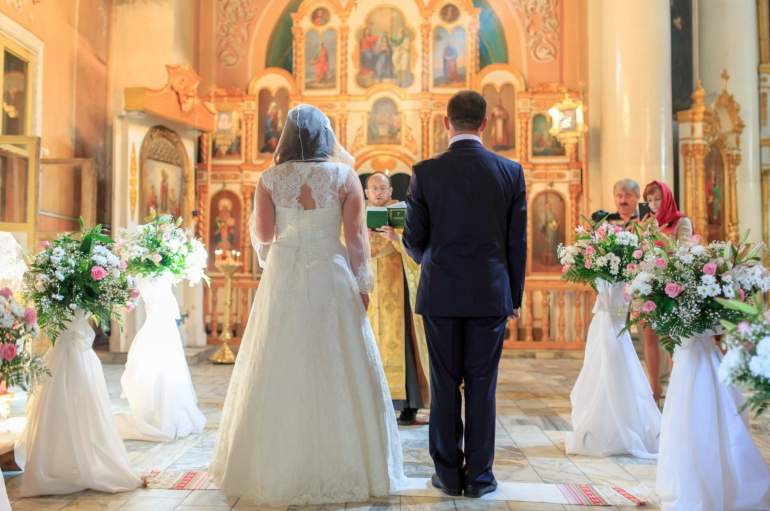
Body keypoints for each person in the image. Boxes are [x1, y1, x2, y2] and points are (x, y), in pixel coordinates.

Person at [210, 105, 405, 505]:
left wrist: (277, 255)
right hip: (331, 271)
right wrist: (363, 283)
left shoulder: (270, 178)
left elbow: (264, 234)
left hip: (284, 273)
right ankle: (345, 462)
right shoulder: (344, 176)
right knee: (335, 358)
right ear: (324, 136)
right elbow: (356, 238)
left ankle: (276, 465)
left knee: (280, 359)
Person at [403, 90, 527, 498]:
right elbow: (516, 243)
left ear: (447, 122)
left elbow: (413, 240)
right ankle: (479, 477)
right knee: (482, 385)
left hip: (440, 293)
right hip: (490, 294)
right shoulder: (510, 172)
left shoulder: (426, 172)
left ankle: (448, 474)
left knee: (443, 385)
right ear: (485, 124)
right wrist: (514, 297)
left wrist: (433, 260)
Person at [365, 172, 430, 425]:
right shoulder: (358, 213)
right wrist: (363, 237)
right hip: (370, 288)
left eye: (383, 187)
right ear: (366, 192)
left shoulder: (403, 213)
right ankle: (374, 403)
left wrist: (395, 238)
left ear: (391, 190)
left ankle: (408, 405)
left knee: (402, 343)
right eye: (374, 188)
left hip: (397, 286)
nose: (379, 192)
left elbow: (416, 251)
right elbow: (347, 245)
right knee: (371, 343)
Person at [640, 180, 692, 401]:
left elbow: (684, 251)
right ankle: (654, 389)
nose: (653, 205)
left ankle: (675, 390)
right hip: (650, 283)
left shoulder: (681, 221)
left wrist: (659, 239)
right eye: (650, 200)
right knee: (650, 336)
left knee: (672, 340)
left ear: (667, 198)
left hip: (673, 286)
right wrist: (642, 235)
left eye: (657, 199)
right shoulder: (649, 223)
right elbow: (642, 252)